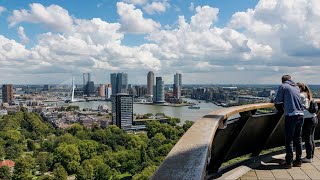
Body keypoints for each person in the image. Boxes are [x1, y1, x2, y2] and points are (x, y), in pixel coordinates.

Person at [274, 75, 304, 168]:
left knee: (289, 140)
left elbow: (278, 100)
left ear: (282, 81)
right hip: (301, 114)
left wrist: (272, 100)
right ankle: (298, 161)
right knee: (298, 139)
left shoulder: (283, 86)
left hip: (291, 115)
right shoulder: (296, 87)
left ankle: (289, 162)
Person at [297, 82, 318, 163]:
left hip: (307, 119)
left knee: (307, 138)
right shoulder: (307, 94)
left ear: (300, 88)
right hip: (313, 118)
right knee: (311, 138)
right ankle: (310, 156)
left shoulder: (301, 95)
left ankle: (309, 157)